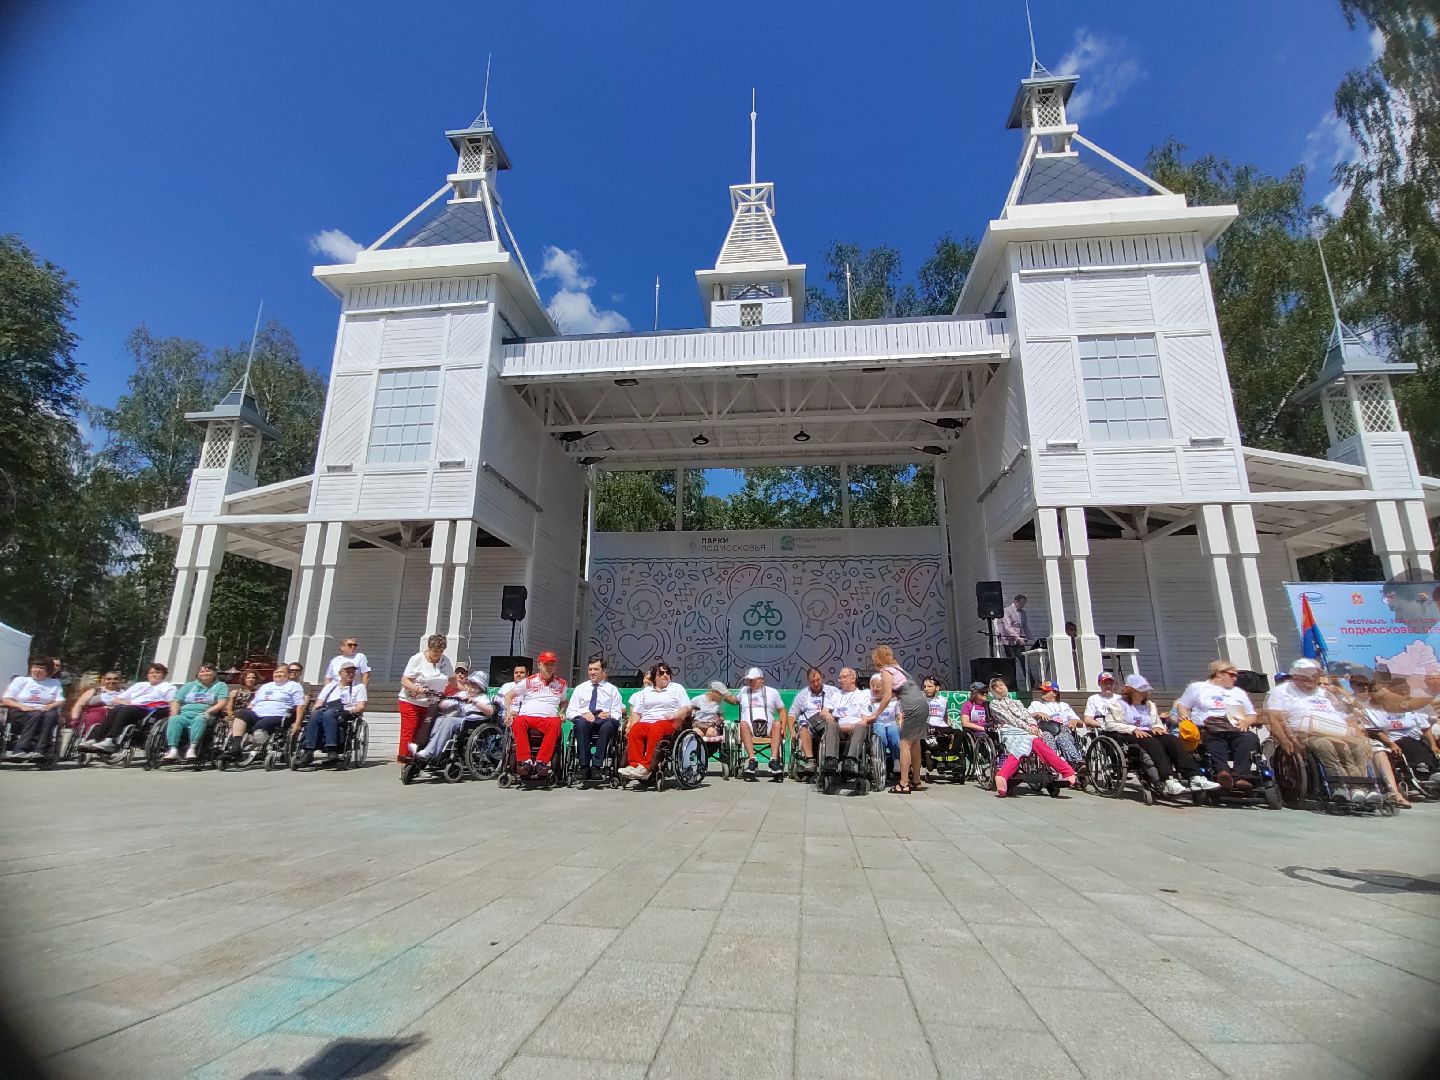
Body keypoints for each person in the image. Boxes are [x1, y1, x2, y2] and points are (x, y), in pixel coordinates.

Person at [1266, 658, 1380, 807]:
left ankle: (1363, 787)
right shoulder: (1280, 691)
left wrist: (1359, 734)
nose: (1311, 679)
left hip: (1338, 731)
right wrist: (1285, 740)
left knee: (1358, 746)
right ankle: (1339, 786)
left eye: (1314, 675)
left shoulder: (1325, 692)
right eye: (1306, 675)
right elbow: (1273, 718)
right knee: (1325, 745)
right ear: (1295, 676)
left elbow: (1346, 715)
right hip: (1306, 734)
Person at [1107, 675, 1219, 796]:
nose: (1145, 692)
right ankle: (1168, 780)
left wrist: (1157, 727)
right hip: (1127, 734)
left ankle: (1195, 777)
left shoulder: (1150, 705)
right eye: (1141, 689)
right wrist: (1133, 729)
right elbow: (1110, 724)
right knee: (1152, 743)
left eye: (1145, 689)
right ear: (1131, 690)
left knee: (1171, 740)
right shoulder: (1116, 704)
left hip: (1149, 732)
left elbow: (1156, 723)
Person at [1350, 672, 1437, 803]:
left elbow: (1424, 727)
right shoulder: (1368, 708)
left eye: (1382, 690)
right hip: (1390, 739)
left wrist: (1433, 744)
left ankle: (1432, 771)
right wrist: (1391, 744)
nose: (1379, 694)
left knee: (1423, 744)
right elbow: (1374, 731)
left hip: (1413, 738)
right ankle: (1417, 775)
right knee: (1407, 743)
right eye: (1376, 691)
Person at [1174, 660, 1260, 791]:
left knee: (1249, 739)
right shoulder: (1198, 687)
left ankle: (1241, 776)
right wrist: (1185, 718)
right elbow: (1183, 705)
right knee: (1215, 740)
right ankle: (1222, 772)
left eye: (1236, 675)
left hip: (1235, 727)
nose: (1235, 678)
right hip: (1209, 727)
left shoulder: (1238, 692)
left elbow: (1251, 714)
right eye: (1232, 674)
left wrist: (1246, 721)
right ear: (1219, 674)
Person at [986, 676, 1077, 797]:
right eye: (995, 687)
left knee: (1038, 743)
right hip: (1010, 730)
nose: (999, 688)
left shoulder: (1017, 702)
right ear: (992, 691)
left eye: (1001, 685)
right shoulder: (994, 704)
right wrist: (1030, 728)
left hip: (1027, 730)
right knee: (1023, 744)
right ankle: (1002, 775)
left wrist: (1034, 725)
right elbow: (1011, 720)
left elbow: (1027, 715)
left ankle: (1065, 771)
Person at [80, 663, 178, 754]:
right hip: (131, 707)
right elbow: (117, 699)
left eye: (158, 672)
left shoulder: (168, 687)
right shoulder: (140, 685)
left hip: (150, 710)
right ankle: (95, 739)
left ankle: (111, 740)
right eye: (152, 673)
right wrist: (122, 701)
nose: (154, 675)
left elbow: (172, 702)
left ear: (164, 675)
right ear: (148, 675)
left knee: (126, 710)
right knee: (116, 709)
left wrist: (174, 715)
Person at [619, 661, 689, 783]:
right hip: (647, 721)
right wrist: (631, 725)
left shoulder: (676, 688)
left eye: (668, 673)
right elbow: (637, 712)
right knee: (636, 729)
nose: (665, 675)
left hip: (669, 721)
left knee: (656, 728)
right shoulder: (646, 692)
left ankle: (647, 767)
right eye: (661, 673)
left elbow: (686, 707)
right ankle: (635, 765)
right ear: (654, 677)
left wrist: (676, 714)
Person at [872, 645, 928, 794]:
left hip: (911, 706)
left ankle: (903, 783)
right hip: (922, 703)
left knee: (904, 745)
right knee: (915, 743)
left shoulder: (886, 671)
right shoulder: (898, 668)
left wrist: (875, 714)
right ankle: (916, 780)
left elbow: (887, 696)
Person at [224, 664, 306, 759]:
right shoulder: (266, 686)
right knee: (241, 713)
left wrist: (297, 723)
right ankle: (236, 747)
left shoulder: (294, 686)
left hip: (278, 715)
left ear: (288, 674)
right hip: (258, 713)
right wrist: (247, 713)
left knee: (261, 725)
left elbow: (300, 705)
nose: (278, 674)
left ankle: (256, 744)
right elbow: (253, 703)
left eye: (282, 672)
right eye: (276, 672)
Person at [511, 650, 568, 783]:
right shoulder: (528, 681)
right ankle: (525, 761)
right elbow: (509, 695)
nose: (549, 667)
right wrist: (509, 712)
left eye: (552, 664)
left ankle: (542, 762)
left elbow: (564, 701)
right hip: (527, 717)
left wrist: (562, 712)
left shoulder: (561, 683)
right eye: (546, 664)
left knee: (556, 722)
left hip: (548, 719)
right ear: (539, 665)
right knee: (518, 721)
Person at [566, 656, 624, 783]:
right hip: (585, 719)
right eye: (590, 669)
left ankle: (596, 766)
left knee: (608, 726)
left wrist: (608, 714)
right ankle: (584, 766)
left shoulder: (612, 689)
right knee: (580, 725)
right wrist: (583, 713)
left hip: (604, 719)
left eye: (595, 669)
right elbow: (570, 712)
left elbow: (617, 712)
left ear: (603, 671)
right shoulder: (580, 689)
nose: (592, 672)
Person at [300, 659, 369, 765]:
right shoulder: (331, 686)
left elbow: (361, 706)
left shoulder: (359, 687)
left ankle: (332, 749)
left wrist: (350, 711)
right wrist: (312, 711)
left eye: (352, 672)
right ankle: (309, 750)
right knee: (315, 714)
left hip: (346, 712)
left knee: (329, 714)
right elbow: (319, 702)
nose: (350, 674)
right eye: (347, 672)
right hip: (328, 708)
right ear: (340, 673)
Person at [399, 634, 453, 762]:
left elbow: (453, 680)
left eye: (441, 651)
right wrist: (416, 688)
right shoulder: (417, 659)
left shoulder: (445, 661)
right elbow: (405, 680)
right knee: (410, 730)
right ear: (429, 648)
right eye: (435, 651)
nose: (438, 654)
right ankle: (405, 759)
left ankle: (419, 758)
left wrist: (466, 689)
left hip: (431, 703)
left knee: (424, 732)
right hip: (411, 701)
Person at [163, 663, 228, 761]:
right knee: (174, 719)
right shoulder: (189, 685)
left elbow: (222, 703)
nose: (205, 673)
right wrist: (175, 712)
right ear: (198, 674)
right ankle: (173, 750)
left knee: (200, 719)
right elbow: (176, 701)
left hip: (206, 714)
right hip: (185, 714)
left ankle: (192, 749)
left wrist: (208, 712)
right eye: (202, 671)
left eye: (208, 671)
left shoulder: (220, 686)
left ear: (214, 673)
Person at [3, 658, 65, 760]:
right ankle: (20, 749)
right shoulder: (20, 680)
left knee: (51, 715)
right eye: (34, 667)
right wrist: (22, 706)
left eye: (41, 668)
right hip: (21, 711)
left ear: (48, 670)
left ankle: (40, 750)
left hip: (44, 711)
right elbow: (6, 699)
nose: (36, 670)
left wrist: (49, 706)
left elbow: (60, 700)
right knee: (36, 714)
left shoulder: (54, 683)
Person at [819, 666, 872, 776]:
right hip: (839, 729)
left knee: (861, 726)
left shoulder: (863, 695)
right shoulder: (836, 695)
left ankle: (851, 760)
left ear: (853, 678)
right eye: (840, 678)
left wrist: (851, 726)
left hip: (856, 729)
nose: (841, 680)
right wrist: (828, 715)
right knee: (831, 725)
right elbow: (823, 711)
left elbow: (865, 719)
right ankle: (831, 760)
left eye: (844, 677)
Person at [737, 666, 788, 778]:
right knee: (743, 724)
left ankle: (773, 760)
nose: (750, 682)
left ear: (761, 680)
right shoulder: (743, 691)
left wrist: (783, 727)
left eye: (753, 680)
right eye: (748, 680)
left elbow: (782, 710)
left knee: (777, 724)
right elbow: (734, 700)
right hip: (749, 728)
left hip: (768, 727)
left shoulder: (772, 692)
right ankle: (752, 760)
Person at [789, 667, 841, 774]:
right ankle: (810, 760)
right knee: (802, 725)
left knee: (831, 722)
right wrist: (792, 731)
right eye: (812, 682)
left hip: (827, 723)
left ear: (822, 677)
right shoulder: (803, 694)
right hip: (810, 724)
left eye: (818, 680)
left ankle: (831, 759)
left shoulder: (833, 691)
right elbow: (792, 714)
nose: (816, 684)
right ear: (808, 681)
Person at [1027, 682, 1089, 769]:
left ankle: (1077, 762)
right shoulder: (1036, 704)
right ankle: (1052, 764)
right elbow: (1026, 716)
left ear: (1055, 693)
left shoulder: (1064, 706)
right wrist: (1037, 713)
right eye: (1043, 690)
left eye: (1047, 691)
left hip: (1062, 729)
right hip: (1044, 729)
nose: (1043, 692)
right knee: (1047, 736)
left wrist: (1074, 721)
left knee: (1062, 736)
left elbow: (1079, 722)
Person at [69, 670, 124, 746]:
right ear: (104, 680)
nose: (112, 681)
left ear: (120, 681)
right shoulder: (95, 691)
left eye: (115, 679)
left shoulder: (124, 693)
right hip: (94, 714)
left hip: (114, 716)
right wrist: (75, 719)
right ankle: (88, 739)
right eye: (109, 679)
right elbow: (79, 705)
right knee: (94, 717)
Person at [867, 673, 902, 780]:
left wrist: (900, 724)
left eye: (878, 686)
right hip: (877, 723)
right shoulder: (868, 699)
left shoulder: (894, 699)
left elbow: (899, 715)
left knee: (894, 732)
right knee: (881, 734)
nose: (875, 688)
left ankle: (897, 760)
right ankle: (882, 760)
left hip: (891, 723)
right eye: (873, 686)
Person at [998, 594, 1031, 690]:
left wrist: (1032, 638)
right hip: (1009, 641)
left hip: (1019, 641)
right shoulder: (1007, 611)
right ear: (1016, 601)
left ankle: (1031, 684)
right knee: (1011, 664)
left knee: (1024, 661)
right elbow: (1007, 627)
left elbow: (1025, 626)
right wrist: (1017, 638)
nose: (1023, 606)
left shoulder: (1023, 613)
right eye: (1022, 603)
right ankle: (1012, 686)